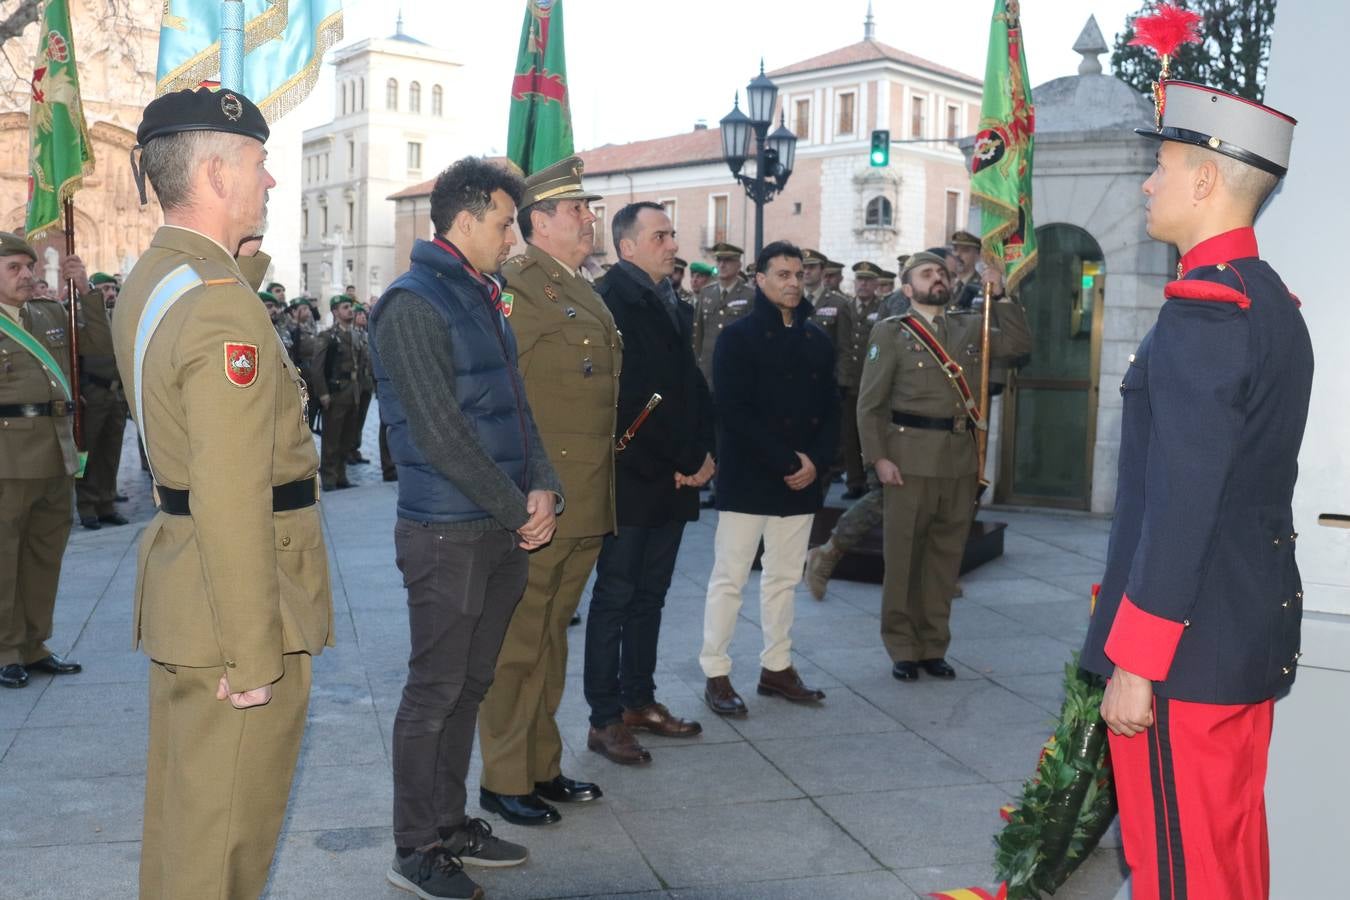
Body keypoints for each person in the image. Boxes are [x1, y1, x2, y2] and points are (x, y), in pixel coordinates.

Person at [1080, 81, 1308, 900]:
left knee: (1181, 875)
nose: (1149, 182)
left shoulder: (1205, 314)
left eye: (1165, 165)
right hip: (1238, 636)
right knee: (1231, 860)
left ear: (1207, 180)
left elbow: (1183, 507)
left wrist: (1136, 662)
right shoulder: (1272, 304)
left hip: (1184, 654)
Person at [113, 87, 332, 898]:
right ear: (213, 171)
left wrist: (240, 262)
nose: (271, 181)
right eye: (256, 163)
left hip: (185, 588)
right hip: (238, 600)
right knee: (224, 852)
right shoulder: (221, 314)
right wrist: (254, 650)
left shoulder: (160, 276)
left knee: (187, 832)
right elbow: (234, 490)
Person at [370, 156, 560, 899]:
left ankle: (449, 824)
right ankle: (415, 848)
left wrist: (543, 485)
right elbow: (440, 436)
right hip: (447, 530)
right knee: (435, 689)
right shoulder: (413, 302)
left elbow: (518, 407)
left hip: (497, 522)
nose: (514, 237)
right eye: (507, 222)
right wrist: (519, 508)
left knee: (470, 683)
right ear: (467, 218)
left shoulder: (481, 295)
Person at [477, 156, 617, 827]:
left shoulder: (578, 287)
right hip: (540, 501)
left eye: (587, 208)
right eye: (577, 209)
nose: (590, 218)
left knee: (552, 640)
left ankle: (540, 763)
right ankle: (503, 778)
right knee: (518, 644)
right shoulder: (519, 287)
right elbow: (497, 400)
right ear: (539, 221)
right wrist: (518, 492)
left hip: (583, 499)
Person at [857, 251, 1030, 681]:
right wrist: (878, 458)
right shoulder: (891, 333)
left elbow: (1018, 345)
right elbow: (870, 404)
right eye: (926, 273)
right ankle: (902, 646)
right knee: (904, 560)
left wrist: (1003, 295)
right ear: (907, 288)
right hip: (908, 460)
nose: (937, 278)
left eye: (941, 272)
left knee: (943, 560)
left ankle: (933, 645)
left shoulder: (971, 325)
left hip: (958, 459)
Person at [585, 201, 713, 766]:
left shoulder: (672, 300)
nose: (672, 244)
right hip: (634, 474)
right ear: (627, 246)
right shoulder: (610, 301)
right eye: (660, 235)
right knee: (615, 597)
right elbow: (626, 399)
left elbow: (689, 384)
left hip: (675, 474)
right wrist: (678, 459)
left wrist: (706, 453)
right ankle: (604, 718)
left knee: (651, 596)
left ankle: (639, 699)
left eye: (673, 234)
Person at [700, 241, 838, 716]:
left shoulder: (817, 341)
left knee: (783, 578)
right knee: (730, 578)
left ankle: (776, 668)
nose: (794, 283)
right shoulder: (737, 338)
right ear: (760, 279)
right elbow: (732, 412)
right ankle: (716, 672)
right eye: (782, 274)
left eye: (799, 275)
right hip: (750, 478)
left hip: (802, 480)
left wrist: (815, 463)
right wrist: (787, 461)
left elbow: (832, 414)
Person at [0, 233, 100, 689]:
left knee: (45, 555)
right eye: (14, 268)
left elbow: (99, 347)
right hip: (8, 458)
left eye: (28, 266)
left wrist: (86, 293)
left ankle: (35, 644)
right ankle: (6, 648)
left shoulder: (48, 314)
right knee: (5, 558)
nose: (26, 275)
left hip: (56, 452)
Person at [76, 272, 130, 530]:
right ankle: (86, 505)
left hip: (115, 394)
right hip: (92, 393)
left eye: (113, 288)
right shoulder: (81, 317)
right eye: (105, 288)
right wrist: (77, 391)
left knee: (111, 452)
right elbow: (72, 358)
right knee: (87, 452)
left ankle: (106, 504)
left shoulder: (121, 318)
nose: (111, 293)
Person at [833, 261, 882, 499]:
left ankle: (873, 479)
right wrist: (842, 379)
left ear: (876, 285)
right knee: (849, 434)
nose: (863, 284)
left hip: (871, 381)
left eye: (868, 280)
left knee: (870, 432)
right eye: (860, 280)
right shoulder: (846, 308)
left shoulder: (882, 308)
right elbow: (842, 345)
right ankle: (854, 482)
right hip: (850, 381)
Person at [311, 293, 362, 490]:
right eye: (344, 307)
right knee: (331, 439)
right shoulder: (327, 336)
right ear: (335, 312)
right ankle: (330, 478)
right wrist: (323, 393)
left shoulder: (356, 334)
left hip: (353, 392)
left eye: (350, 306)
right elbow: (317, 368)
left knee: (347, 437)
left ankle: (342, 476)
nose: (349, 310)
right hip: (336, 393)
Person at [692, 241, 754, 386]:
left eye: (728, 261)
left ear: (738, 265)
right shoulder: (706, 293)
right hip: (707, 373)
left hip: (736, 372)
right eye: (719, 260)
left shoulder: (750, 296)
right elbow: (698, 335)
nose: (722, 265)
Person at [802, 248, 846, 346]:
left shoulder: (839, 303)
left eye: (812, 267)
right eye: (804, 267)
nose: (807, 271)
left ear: (823, 271)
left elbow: (844, 348)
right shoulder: (789, 301)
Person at [349, 302, 374, 466]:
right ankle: (348, 450)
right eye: (360, 315)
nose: (363, 317)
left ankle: (355, 448)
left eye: (365, 315)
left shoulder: (366, 335)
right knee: (353, 417)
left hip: (366, 382)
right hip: (356, 382)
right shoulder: (351, 335)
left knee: (362, 418)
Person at [948, 231, 982, 309]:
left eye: (965, 250)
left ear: (978, 256)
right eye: (955, 249)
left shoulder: (981, 286)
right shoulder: (945, 283)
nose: (957, 254)